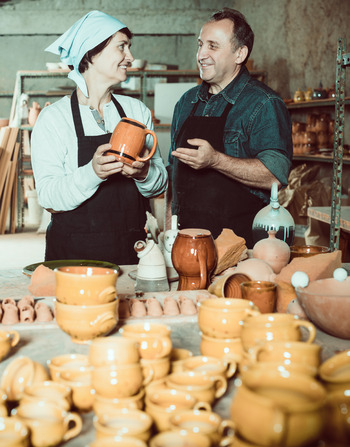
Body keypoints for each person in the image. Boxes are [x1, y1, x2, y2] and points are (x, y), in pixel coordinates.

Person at [31, 10, 168, 265]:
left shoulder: (136, 111)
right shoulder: (54, 119)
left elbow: (159, 183)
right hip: (73, 257)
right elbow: (49, 197)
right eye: (122, 47)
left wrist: (143, 173)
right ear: (91, 54)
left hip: (132, 253)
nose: (131, 57)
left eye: (129, 47)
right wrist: (92, 173)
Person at [167, 8, 292, 248]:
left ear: (239, 54)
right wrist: (168, 231)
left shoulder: (263, 103)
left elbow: (276, 175)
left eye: (213, 46)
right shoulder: (186, 102)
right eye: (200, 44)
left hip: (240, 248)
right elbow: (174, 174)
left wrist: (215, 161)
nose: (201, 54)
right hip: (186, 242)